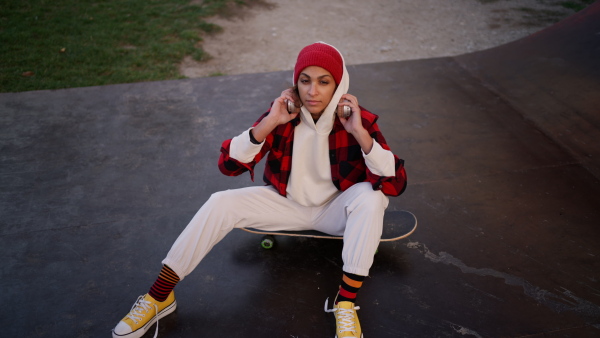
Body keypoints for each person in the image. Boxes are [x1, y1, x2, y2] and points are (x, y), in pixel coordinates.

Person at [112, 42, 407, 338]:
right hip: (287, 205)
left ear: (339, 84)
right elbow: (228, 165)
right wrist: (271, 121)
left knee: (371, 197)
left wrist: (359, 132)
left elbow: (397, 181)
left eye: (323, 81)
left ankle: (344, 303)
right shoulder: (283, 116)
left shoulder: (358, 120)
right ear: (295, 83)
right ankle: (159, 297)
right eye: (305, 81)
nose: (312, 91)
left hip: (336, 211)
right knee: (220, 202)